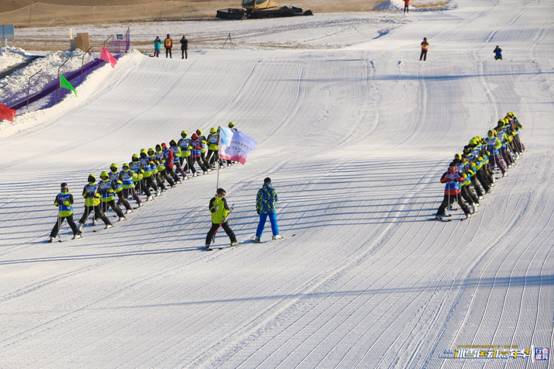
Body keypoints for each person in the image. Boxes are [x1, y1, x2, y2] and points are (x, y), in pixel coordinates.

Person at [255, 177, 283, 242]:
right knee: (273, 221)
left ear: (264, 182)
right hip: (271, 208)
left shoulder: (260, 191)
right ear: (270, 182)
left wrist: (258, 208)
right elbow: (276, 199)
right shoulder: (273, 190)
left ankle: (257, 237)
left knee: (261, 223)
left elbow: (258, 200)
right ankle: (275, 235)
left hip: (263, 209)